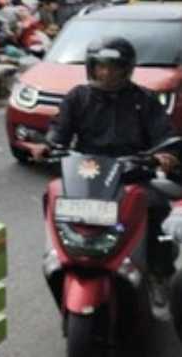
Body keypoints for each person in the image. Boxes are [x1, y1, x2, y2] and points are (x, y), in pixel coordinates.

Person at [25, 37, 181, 310]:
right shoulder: (77, 97)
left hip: (132, 173)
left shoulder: (144, 100)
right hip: (87, 173)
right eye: (100, 67)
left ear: (126, 69)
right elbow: (58, 131)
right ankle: (59, 253)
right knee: (51, 196)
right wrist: (46, 146)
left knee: (156, 207)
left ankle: (158, 274)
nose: (106, 73)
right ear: (92, 68)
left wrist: (162, 155)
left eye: (114, 67)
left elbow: (164, 136)